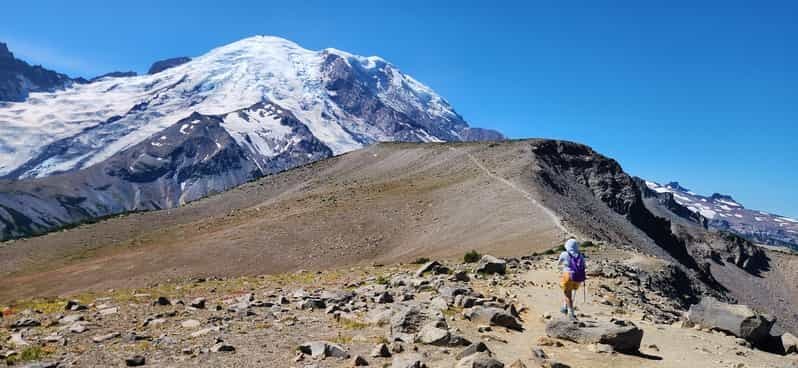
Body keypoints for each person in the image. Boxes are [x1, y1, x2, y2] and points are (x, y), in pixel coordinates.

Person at [557, 238, 586, 321]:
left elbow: (559, 263)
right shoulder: (580, 255)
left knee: (567, 294)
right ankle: (564, 307)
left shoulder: (564, 254)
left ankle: (571, 313)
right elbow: (584, 266)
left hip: (567, 276)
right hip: (578, 278)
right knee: (569, 293)